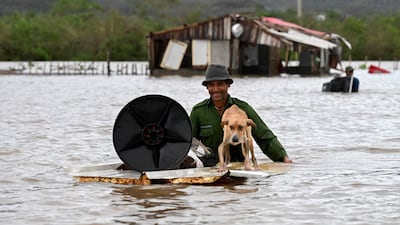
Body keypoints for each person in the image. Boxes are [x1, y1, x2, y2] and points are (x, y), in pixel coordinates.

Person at [190, 64, 292, 167]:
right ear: (207, 87)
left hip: (239, 167)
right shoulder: (198, 111)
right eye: (211, 85)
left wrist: (282, 157)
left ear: (228, 85)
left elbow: (264, 136)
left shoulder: (244, 109)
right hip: (210, 168)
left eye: (220, 84)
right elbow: (190, 141)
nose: (215, 89)